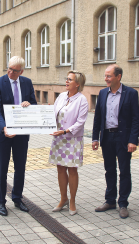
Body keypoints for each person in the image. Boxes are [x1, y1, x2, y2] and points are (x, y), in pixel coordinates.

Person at [92, 64, 139, 219]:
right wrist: (95, 138)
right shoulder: (102, 93)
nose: (106, 79)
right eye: (105, 76)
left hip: (123, 139)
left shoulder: (131, 93)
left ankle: (123, 203)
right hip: (107, 137)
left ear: (118, 77)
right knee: (109, 170)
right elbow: (97, 118)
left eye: (109, 76)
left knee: (124, 171)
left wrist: (133, 140)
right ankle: (110, 200)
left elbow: (135, 119)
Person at [0, 56, 37, 216]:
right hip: (4, 134)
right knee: (2, 170)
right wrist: (3, 127)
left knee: (20, 169)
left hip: (21, 134)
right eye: (9, 68)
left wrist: (29, 105)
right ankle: (0, 202)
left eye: (14, 70)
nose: (10, 72)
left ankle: (17, 198)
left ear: (21, 71)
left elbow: (34, 103)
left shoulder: (27, 82)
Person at [49, 70, 88, 216]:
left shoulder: (82, 100)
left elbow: (81, 122)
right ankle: (63, 198)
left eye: (70, 80)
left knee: (72, 170)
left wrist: (65, 131)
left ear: (77, 84)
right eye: (66, 79)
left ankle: (72, 201)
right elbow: (53, 112)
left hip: (72, 138)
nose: (67, 81)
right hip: (59, 138)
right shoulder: (61, 96)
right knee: (60, 169)